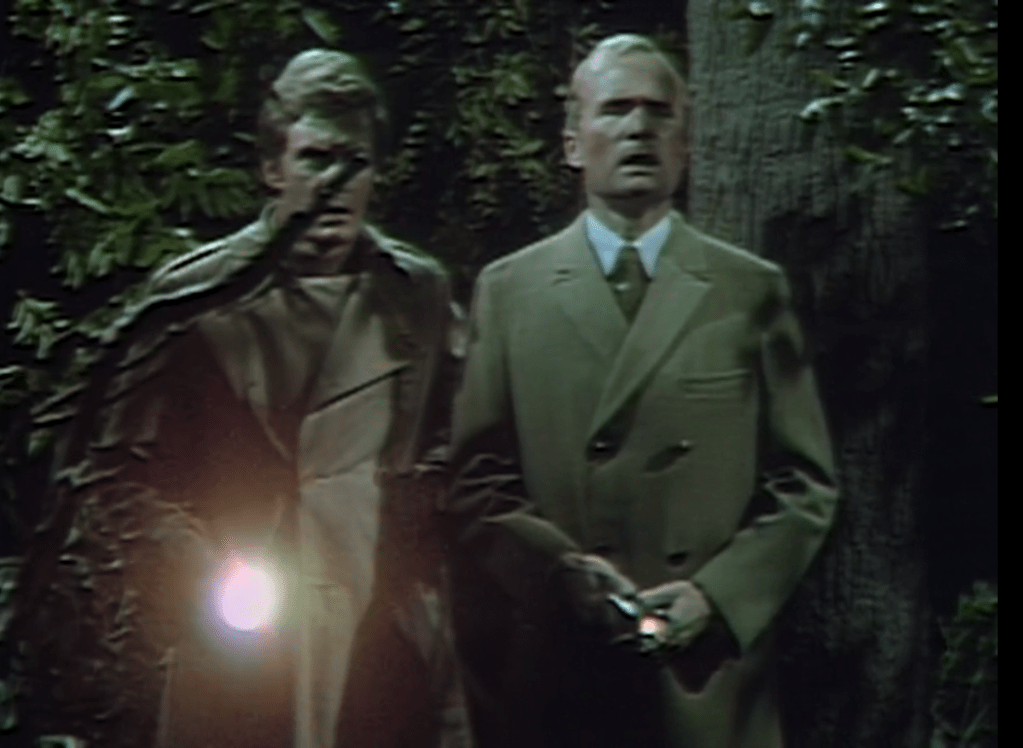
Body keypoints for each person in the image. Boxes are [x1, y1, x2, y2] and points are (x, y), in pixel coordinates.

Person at [26, 49, 465, 748]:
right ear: (272, 167)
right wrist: (201, 573)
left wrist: (418, 531)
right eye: (314, 158)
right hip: (241, 639)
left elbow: (462, 449)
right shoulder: (194, 299)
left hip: (382, 636)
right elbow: (110, 477)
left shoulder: (418, 295)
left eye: (353, 162)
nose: (333, 184)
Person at [443, 34, 839, 748]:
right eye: (615, 109)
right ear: (572, 144)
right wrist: (558, 575)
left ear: (685, 146)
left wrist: (716, 598)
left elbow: (804, 484)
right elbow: (476, 481)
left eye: (659, 113)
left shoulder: (750, 291)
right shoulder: (510, 292)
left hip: (704, 682)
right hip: (562, 677)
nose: (637, 128)